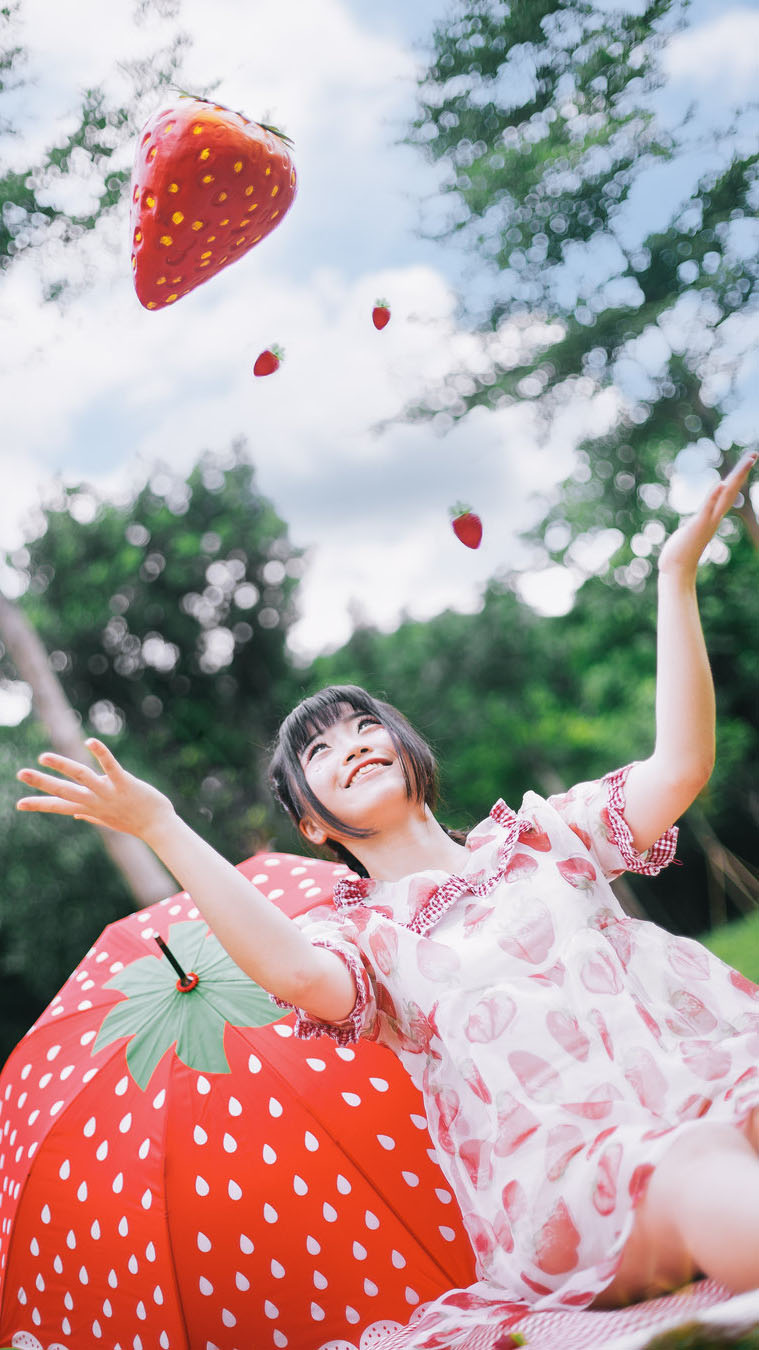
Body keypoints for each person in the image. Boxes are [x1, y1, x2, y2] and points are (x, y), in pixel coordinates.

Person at [15, 452, 759, 1323]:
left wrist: (674, 578)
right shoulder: (369, 942)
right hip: (586, 1181)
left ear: (411, 752)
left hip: (709, 1081)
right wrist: (159, 825)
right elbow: (294, 978)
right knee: (700, 1166)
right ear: (312, 824)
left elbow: (680, 764)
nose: (353, 745)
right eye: (321, 754)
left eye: (365, 727)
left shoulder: (542, 839)